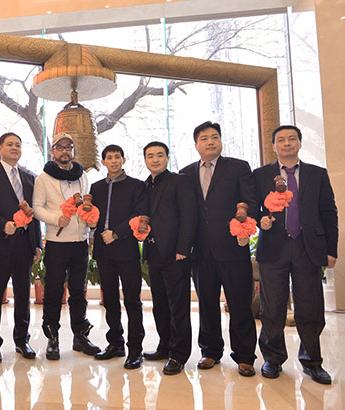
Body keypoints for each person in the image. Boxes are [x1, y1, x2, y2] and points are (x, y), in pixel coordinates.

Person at [254, 125, 338, 384]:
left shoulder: (317, 174)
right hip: (273, 247)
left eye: (292, 139)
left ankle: (312, 361)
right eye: (281, 140)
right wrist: (259, 220)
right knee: (272, 307)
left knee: (310, 307)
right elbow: (251, 206)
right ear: (273, 146)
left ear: (300, 143)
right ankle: (273, 358)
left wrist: (331, 250)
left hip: (307, 247)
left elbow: (329, 212)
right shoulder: (260, 175)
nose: (287, 143)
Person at [180, 121, 258, 377]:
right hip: (200, 251)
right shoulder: (185, 173)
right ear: (196, 145)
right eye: (204, 138)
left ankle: (245, 356)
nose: (210, 141)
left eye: (214, 137)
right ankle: (210, 351)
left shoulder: (238, 167)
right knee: (207, 304)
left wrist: (244, 223)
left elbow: (250, 201)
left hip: (232, 248)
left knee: (240, 304)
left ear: (221, 140)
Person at [33, 132, 100, 360]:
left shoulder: (83, 176)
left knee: (79, 292)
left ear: (73, 150)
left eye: (68, 147)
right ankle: (52, 338)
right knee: (53, 291)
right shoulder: (44, 178)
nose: (64, 151)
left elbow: (87, 205)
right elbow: (36, 207)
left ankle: (80, 336)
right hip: (57, 243)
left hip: (80, 243)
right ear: (53, 151)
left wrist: (90, 225)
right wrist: (55, 218)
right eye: (59, 147)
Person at [0, 132, 42, 363]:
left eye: (18, 145)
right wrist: (1, 224)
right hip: (0, 242)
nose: (14, 148)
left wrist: (37, 243)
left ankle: (22, 340)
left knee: (23, 295)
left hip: (25, 243)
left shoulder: (29, 177)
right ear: (0, 148)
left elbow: (34, 213)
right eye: (10, 144)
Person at [89, 144, 146, 369]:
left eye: (117, 157)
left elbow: (138, 214)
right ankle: (115, 343)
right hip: (104, 251)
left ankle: (135, 349)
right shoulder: (96, 187)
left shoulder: (136, 186)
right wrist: (91, 226)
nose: (113, 161)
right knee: (110, 300)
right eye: (109, 158)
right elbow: (92, 215)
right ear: (103, 162)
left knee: (132, 300)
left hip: (126, 249)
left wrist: (116, 233)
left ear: (123, 160)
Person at [142, 141, 197, 375]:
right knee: (160, 304)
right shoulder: (146, 184)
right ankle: (164, 347)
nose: (155, 159)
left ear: (167, 158)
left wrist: (183, 247)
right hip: (153, 252)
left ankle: (179, 354)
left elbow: (189, 215)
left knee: (178, 306)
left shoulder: (180, 181)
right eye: (150, 156)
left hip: (175, 253)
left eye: (159, 155)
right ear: (145, 160)